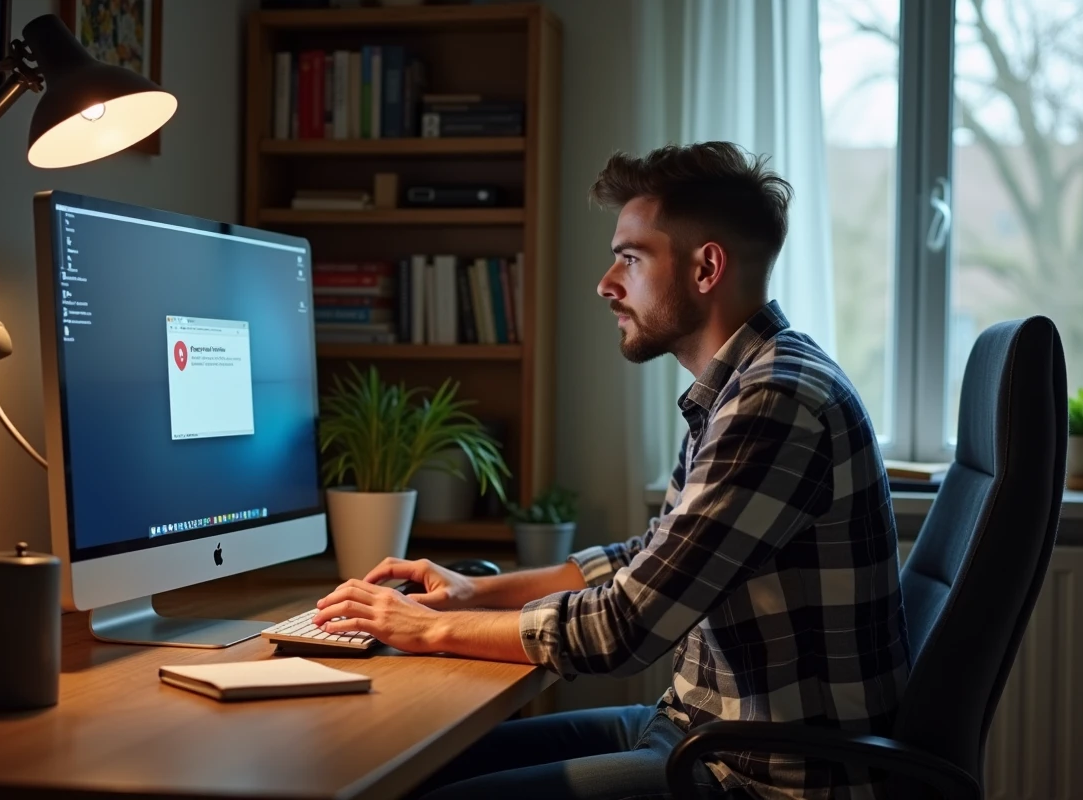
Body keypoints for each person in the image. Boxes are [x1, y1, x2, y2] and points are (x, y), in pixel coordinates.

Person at [312, 141, 910, 800]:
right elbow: (649, 558)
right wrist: (469, 594)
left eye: (630, 258)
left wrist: (424, 628)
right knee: (411, 768)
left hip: (766, 776)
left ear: (707, 266)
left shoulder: (774, 401)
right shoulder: (744, 384)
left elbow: (623, 630)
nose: (606, 283)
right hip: (695, 732)